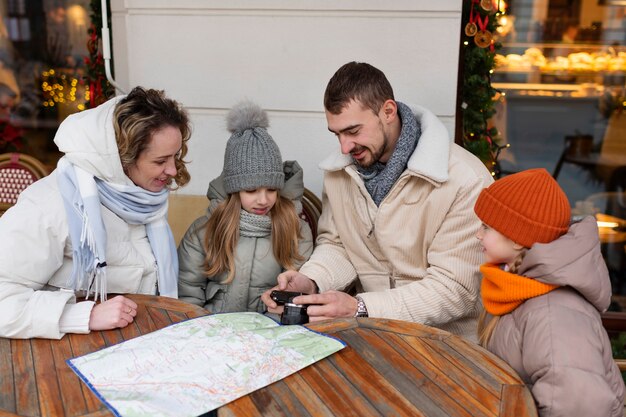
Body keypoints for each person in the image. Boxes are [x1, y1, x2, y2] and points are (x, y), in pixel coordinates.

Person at [262, 61, 493, 340]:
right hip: (372, 336)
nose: (345, 147)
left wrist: (360, 307)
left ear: (388, 111)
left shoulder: (466, 179)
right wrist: (311, 281)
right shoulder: (339, 173)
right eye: (337, 134)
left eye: (353, 131)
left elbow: (455, 289)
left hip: (445, 346)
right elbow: (339, 245)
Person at [0, 86, 191, 339]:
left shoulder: (140, 196)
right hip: (66, 360)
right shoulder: (49, 205)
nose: (173, 170)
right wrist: (81, 315)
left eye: (175, 156)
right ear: (121, 158)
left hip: (136, 344)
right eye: (160, 161)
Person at [474, 168, 625, 417]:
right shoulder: (515, 287)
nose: (477, 234)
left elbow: (579, 406)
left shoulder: (552, 312)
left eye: (486, 226)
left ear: (517, 238)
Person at [178, 101, 313, 313]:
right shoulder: (204, 232)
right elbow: (188, 293)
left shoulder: (296, 230)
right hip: (212, 335)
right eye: (251, 190)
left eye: (271, 189)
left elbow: (296, 296)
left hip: (271, 335)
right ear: (234, 190)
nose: (263, 200)